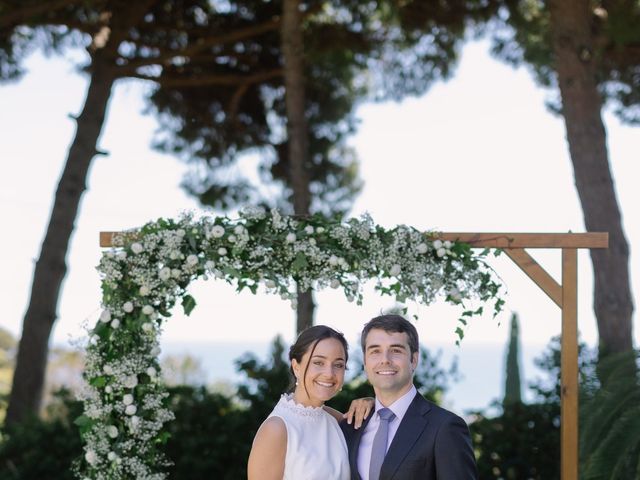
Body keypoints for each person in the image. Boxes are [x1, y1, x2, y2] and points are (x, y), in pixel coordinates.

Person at [341, 314, 478, 480]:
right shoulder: (351, 426)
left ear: (413, 359)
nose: (385, 360)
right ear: (365, 361)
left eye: (396, 350)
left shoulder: (445, 427)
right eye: (375, 351)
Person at [248, 325, 373, 480]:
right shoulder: (277, 429)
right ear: (296, 367)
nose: (329, 374)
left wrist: (371, 402)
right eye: (318, 362)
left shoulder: (333, 418)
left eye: (338, 365)